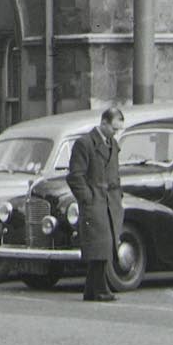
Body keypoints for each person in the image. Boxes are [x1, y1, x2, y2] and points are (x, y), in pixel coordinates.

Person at [68, 104, 126, 302]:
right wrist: (87, 197)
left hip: (110, 201)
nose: (115, 133)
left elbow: (114, 174)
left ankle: (93, 289)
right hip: (96, 200)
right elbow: (75, 175)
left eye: (117, 130)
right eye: (113, 128)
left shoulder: (112, 145)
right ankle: (100, 289)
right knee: (98, 246)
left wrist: (118, 195)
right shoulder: (85, 143)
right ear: (103, 123)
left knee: (106, 246)